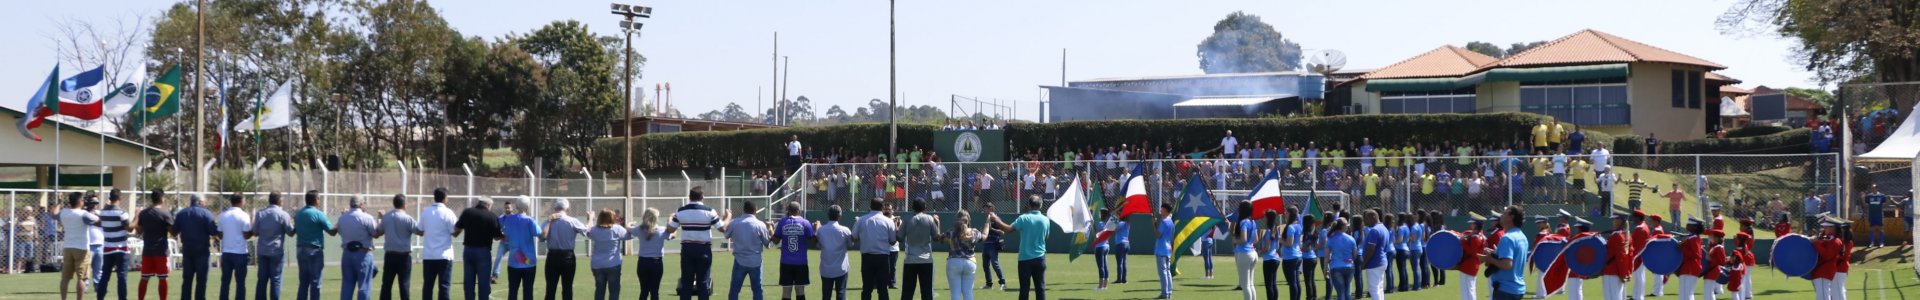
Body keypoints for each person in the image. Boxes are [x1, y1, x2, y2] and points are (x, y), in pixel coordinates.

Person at [986, 196, 1052, 300]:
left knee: (1024, 290)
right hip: (1040, 259)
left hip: (1025, 259)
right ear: (1041, 205)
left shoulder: (1024, 218)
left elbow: (1007, 229)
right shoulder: (1046, 220)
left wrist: (996, 219)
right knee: (1040, 289)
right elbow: (1046, 237)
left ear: (1029, 205)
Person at [671, 187, 722, 300]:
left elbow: (670, 229)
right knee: (703, 283)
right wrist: (728, 217)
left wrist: (670, 219)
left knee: (686, 283)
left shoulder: (680, 211)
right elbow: (722, 228)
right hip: (703, 249)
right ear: (702, 197)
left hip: (687, 249)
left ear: (689, 196)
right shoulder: (709, 211)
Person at [455, 198, 503, 300]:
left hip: (468, 250)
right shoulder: (492, 216)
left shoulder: (467, 212)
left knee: (468, 281)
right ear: (488, 205)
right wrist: (504, 236)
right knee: (484, 282)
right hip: (483, 251)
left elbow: (458, 228)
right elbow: (497, 237)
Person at [766, 202, 815, 300]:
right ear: (799, 211)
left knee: (786, 291)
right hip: (801, 262)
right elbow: (813, 241)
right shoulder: (805, 223)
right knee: (800, 290)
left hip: (786, 262)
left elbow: (775, 241)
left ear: (788, 211)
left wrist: (770, 228)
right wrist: (816, 228)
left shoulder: (783, 222)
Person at [721, 201, 769, 300]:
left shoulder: (735, 222)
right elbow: (767, 243)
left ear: (743, 209)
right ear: (755, 211)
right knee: (757, 290)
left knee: (734, 289)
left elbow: (726, 235)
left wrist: (725, 218)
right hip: (755, 261)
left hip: (739, 260)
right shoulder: (760, 225)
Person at [173, 195, 218, 300]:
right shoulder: (206, 213)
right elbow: (213, 231)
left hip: (187, 249)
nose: (205, 203)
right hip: (202, 249)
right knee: (201, 280)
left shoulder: (182, 213)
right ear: (199, 201)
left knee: (187, 280)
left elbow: (174, 230)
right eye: (204, 201)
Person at [132, 190, 175, 300]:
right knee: (163, 278)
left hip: (147, 250)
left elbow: (139, 231)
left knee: (144, 278)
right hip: (161, 250)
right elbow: (173, 232)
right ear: (162, 198)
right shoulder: (165, 213)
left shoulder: (144, 213)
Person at [541, 199, 588, 300]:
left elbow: (542, 237)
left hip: (552, 256)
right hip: (568, 257)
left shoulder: (547, 220)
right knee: (567, 287)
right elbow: (587, 231)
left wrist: (549, 221)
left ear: (554, 208)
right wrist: (591, 219)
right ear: (568, 209)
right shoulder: (572, 221)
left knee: (550, 288)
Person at [378, 195, 422, 300]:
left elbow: (378, 231)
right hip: (404, 256)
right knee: (404, 285)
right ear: (404, 205)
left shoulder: (387, 217)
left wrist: (380, 219)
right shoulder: (407, 219)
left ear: (394, 204)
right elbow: (419, 231)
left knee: (386, 285)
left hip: (390, 255)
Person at [1480, 205, 1529, 300]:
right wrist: (1497, 252)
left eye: (1505, 213)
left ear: (1511, 217)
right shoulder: (1522, 236)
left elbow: (1507, 265)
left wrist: (1489, 259)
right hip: (1517, 289)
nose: (1502, 215)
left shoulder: (1507, 238)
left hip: (1505, 291)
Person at [853, 199, 898, 300]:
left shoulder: (861, 220)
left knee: (867, 288)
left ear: (870, 206)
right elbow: (893, 241)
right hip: (883, 257)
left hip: (867, 257)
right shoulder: (889, 221)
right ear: (882, 208)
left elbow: (854, 238)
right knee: (882, 289)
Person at [337, 197, 381, 300]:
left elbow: (339, 231)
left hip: (347, 254)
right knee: (364, 286)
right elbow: (375, 234)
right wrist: (379, 220)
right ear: (361, 204)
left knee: (347, 286)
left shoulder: (342, 218)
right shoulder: (367, 217)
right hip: (363, 254)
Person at [252, 192, 294, 300]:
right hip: (276, 251)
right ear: (280, 201)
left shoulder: (260, 213)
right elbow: (290, 232)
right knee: (275, 280)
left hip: (262, 251)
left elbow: (255, 232)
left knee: (262, 280)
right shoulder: (282, 214)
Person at [292, 191, 334, 300]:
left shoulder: (299, 214)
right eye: (319, 198)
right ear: (316, 200)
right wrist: (340, 224)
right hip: (314, 251)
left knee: (303, 282)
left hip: (300, 250)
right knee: (315, 282)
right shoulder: (318, 214)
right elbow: (332, 232)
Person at [418, 189, 459, 300]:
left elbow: (420, 231)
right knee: (444, 286)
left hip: (429, 255)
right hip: (444, 254)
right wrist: (461, 229)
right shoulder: (448, 212)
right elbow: (454, 232)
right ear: (445, 198)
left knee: (428, 285)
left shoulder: (426, 211)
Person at [500, 197, 543, 300]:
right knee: (528, 291)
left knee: (513, 291)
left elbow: (505, 236)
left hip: (514, 260)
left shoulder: (509, 220)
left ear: (516, 206)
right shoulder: (530, 220)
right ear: (528, 207)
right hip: (528, 261)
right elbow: (538, 233)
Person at [60, 192, 100, 300]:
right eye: (83, 200)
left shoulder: (64, 212)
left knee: (65, 278)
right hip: (82, 248)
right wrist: (95, 212)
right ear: (79, 201)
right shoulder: (83, 214)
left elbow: (55, 214)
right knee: (82, 278)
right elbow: (98, 221)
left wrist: (59, 201)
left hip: (68, 247)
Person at [897, 199, 939, 300]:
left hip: (910, 260)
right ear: (925, 207)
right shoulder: (929, 219)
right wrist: (938, 223)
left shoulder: (907, 219)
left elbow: (900, 238)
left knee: (907, 292)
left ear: (912, 207)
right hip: (926, 260)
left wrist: (897, 227)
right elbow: (936, 238)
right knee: (927, 292)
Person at [587, 209, 633, 300]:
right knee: (614, 291)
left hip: (597, 264)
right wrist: (630, 226)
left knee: (599, 290)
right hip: (613, 264)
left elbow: (587, 232)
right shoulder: (617, 228)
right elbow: (629, 236)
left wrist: (590, 219)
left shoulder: (595, 230)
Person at [215, 195, 253, 300]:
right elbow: (246, 235)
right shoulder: (244, 215)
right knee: (240, 283)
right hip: (240, 253)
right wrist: (252, 230)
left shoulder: (222, 215)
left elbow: (220, 235)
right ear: (241, 201)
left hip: (226, 252)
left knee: (225, 282)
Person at [633, 208, 675, 300]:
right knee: (654, 292)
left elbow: (629, 230)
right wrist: (670, 220)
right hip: (656, 263)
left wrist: (629, 225)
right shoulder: (661, 230)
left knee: (643, 291)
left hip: (642, 262)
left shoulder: (639, 229)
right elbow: (673, 234)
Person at [942, 210, 984, 300]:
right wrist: (988, 222)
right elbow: (984, 236)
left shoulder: (950, 233)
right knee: (968, 292)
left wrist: (936, 224)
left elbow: (938, 238)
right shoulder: (974, 232)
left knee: (955, 294)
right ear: (968, 220)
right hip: (970, 262)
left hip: (954, 262)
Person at [98, 190, 131, 300]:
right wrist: (137, 216)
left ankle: (100, 297)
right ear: (120, 198)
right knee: (121, 276)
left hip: (108, 248)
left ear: (110, 198)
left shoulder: (102, 212)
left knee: (105, 276)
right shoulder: (122, 213)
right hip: (121, 248)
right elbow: (129, 228)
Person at [816, 206, 853, 300]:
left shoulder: (821, 230)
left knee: (826, 294)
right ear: (840, 216)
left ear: (828, 215)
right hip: (841, 268)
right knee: (841, 292)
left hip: (826, 268)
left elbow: (818, 245)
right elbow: (851, 244)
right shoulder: (845, 230)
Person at [1602, 208, 1633, 300]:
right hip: (1617, 271)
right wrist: (1627, 272)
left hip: (1612, 272)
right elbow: (1629, 256)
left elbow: (1621, 257)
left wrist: (1623, 274)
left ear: (1619, 221)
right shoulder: (1625, 235)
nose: (1613, 221)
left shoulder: (1617, 236)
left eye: (1614, 219)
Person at [1360, 210, 1391, 300]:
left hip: (1374, 262)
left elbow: (1371, 249)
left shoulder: (1374, 230)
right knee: (1379, 288)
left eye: (1366, 219)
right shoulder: (1384, 228)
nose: (1365, 221)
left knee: (1374, 289)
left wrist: (1364, 263)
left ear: (1373, 217)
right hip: (1382, 261)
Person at [1456, 213, 1487, 300]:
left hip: (1469, 266)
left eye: (1472, 223)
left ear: (1476, 225)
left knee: (1468, 290)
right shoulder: (1479, 235)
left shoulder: (1475, 237)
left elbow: (1472, 252)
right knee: (1469, 289)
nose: (1471, 225)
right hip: (1472, 265)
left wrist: (1462, 242)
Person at [979, 202, 1008, 291]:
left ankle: (1003, 283)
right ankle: (989, 284)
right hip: (986, 244)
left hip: (993, 244)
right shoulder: (987, 218)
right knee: (985, 265)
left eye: (986, 209)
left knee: (995, 264)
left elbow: (1002, 232)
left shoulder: (996, 219)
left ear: (991, 209)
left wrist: (992, 229)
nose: (984, 210)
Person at [1678, 218, 1705, 300]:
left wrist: (1682, 248)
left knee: (1688, 293)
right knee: (1683, 292)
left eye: (1689, 224)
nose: (1687, 225)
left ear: (1695, 227)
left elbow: (1697, 254)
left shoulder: (1694, 238)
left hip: (1692, 267)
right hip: (1687, 267)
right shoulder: (1692, 237)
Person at [1154, 203, 1176, 299]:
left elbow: (1158, 235)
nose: (1161, 210)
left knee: (1163, 272)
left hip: (1161, 249)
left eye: (1162, 209)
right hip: (1167, 249)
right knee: (1167, 272)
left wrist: (1154, 225)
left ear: (1165, 210)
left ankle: (1164, 293)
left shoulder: (1164, 222)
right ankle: (1169, 292)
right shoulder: (1171, 222)